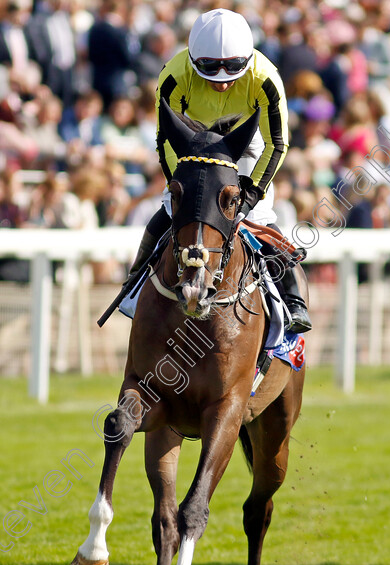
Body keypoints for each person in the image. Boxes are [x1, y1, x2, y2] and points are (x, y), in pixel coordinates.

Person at [125, 8, 311, 332]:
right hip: (192, 140)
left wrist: (252, 193)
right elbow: (165, 139)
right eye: (209, 70)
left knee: (259, 217)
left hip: (245, 142)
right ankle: (135, 283)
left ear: (248, 60)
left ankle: (294, 299)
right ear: (194, 60)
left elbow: (276, 144)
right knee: (171, 209)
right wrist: (178, 187)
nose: (222, 83)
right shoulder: (173, 76)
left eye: (233, 70)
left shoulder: (265, 78)